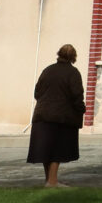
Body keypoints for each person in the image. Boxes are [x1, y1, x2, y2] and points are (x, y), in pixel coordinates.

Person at [28, 44, 86, 186]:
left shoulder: (47, 70)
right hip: (61, 117)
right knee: (57, 149)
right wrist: (81, 109)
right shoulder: (73, 73)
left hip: (42, 115)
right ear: (73, 57)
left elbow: (37, 93)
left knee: (46, 149)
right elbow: (77, 95)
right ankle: (52, 182)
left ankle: (49, 179)